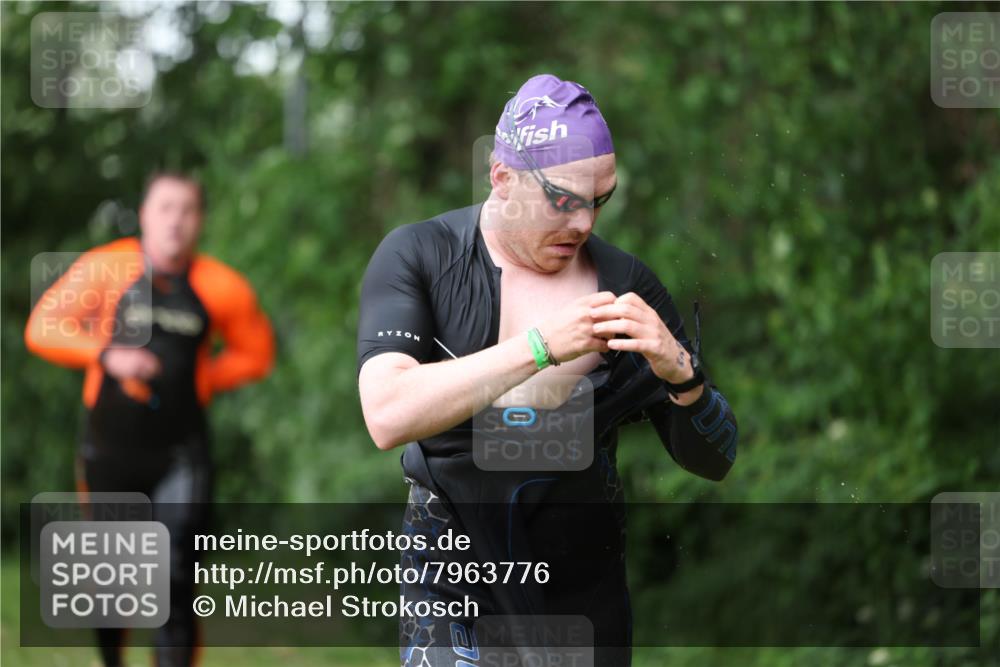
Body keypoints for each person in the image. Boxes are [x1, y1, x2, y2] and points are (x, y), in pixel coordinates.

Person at [357, 74, 738, 667]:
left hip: (582, 587)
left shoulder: (625, 287)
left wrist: (681, 375)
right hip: (454, 577)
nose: (584, 223)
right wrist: (540, 347)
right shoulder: (421, 257)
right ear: (501, 177)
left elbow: (715, 459)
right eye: (563, 199)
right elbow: (386, 413)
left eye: (600, 200)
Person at [25, 171, 275, 667]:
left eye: (187, 210)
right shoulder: (106, 268)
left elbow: (257, 354)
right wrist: (107, 354)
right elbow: (42, 328)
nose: (175, 221)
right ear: (144, 213)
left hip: (182, 452)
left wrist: (202, 377)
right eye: (165, 208)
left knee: (177, 574)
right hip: (111, 450)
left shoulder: (219, 285)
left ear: (199, 220)